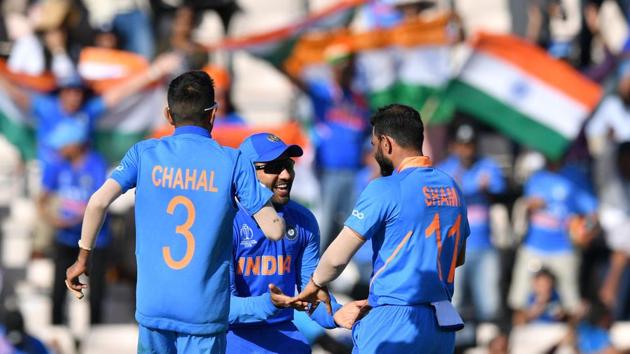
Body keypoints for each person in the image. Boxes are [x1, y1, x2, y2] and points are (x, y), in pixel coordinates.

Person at [65, 71, 286, 353]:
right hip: (204, 312)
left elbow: (97, 202)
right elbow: (274, 230)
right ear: (213, 114)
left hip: (153, 306)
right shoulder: (233, 161)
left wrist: (83, 258)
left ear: (168, 115)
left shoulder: (143, 153)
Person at [293, 104, 470, 354]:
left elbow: (336, 259)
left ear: (386, 143)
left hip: (393, 322)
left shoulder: (384, 187)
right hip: (441, 324)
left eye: (375, 144)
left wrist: (313, 284)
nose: (375, 150)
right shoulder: (452, 186)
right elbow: (457, 258)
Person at [226, 133, 369, 354]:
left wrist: (336, 313)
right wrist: (270, 304)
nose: (285, 175)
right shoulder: (227, 221)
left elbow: (309, 290)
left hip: (286, 337)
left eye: (288, 165)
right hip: (234, 338)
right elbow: (223, 307)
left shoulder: (304, 220)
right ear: (246, 172)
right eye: (274, 167)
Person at [0, 52, 181, 167]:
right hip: (47, 174)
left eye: (78, 92)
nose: (74, 96)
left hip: (81, 178)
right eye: (69, 91)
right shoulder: (46, 107)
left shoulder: (87, 111)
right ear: (61, 93)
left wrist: (155, 71)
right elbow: (17, 96)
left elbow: (118, 94)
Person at [36, 120, 110, 325]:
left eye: (63, 144)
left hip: (96, 242)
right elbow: (41, 198)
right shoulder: (57, 164)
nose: (59, 149)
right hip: (65, 240)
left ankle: (96, 335)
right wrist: (52, 220)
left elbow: (97, 204)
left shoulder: (96, 164)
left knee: (96, 295)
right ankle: (56, 332)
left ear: (76, 144)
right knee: (57, 291)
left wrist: (74, 220)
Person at [508, 156, 598, 316]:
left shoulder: (575, 177)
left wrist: (584, 232)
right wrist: (529, 206)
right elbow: (524, 209)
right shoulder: (536, 177)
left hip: (564, 248)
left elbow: (592, 213)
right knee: (520, 300)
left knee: (571, 302)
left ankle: (570, 337)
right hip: (533, 246)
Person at [438, 124, 505, 322]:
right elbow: (439, 197)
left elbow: (500, 189)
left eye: (470, 144)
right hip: (453, 248)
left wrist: (467, 187)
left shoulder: (488, 165)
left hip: (484, 246)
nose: (467, 149)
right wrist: (472, 186)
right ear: (454, 146)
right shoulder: (444, 169)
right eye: (462, 145)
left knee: (489, 304)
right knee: (453, 302)